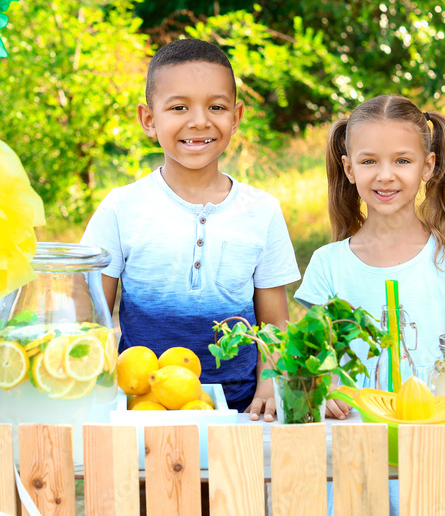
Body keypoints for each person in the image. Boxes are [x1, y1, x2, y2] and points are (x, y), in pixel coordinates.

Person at [81, 38, 300, 421]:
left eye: (216, 107)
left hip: (240, 407)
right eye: (179, 107)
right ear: (149, 119)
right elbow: (90, 316)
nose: (199, 121)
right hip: (145, 405)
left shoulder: (262, 211)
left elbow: (274, 322)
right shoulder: (121, 207)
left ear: (236, 116)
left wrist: (269, 382)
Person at [293, 94, 445, 420]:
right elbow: (313, 360)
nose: (385, 175)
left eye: (402, 161)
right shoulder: (328, 266)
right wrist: (325, 383)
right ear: (349, 168)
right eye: (369, 161)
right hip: (354, 436)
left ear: (428, 166)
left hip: (436, 436)